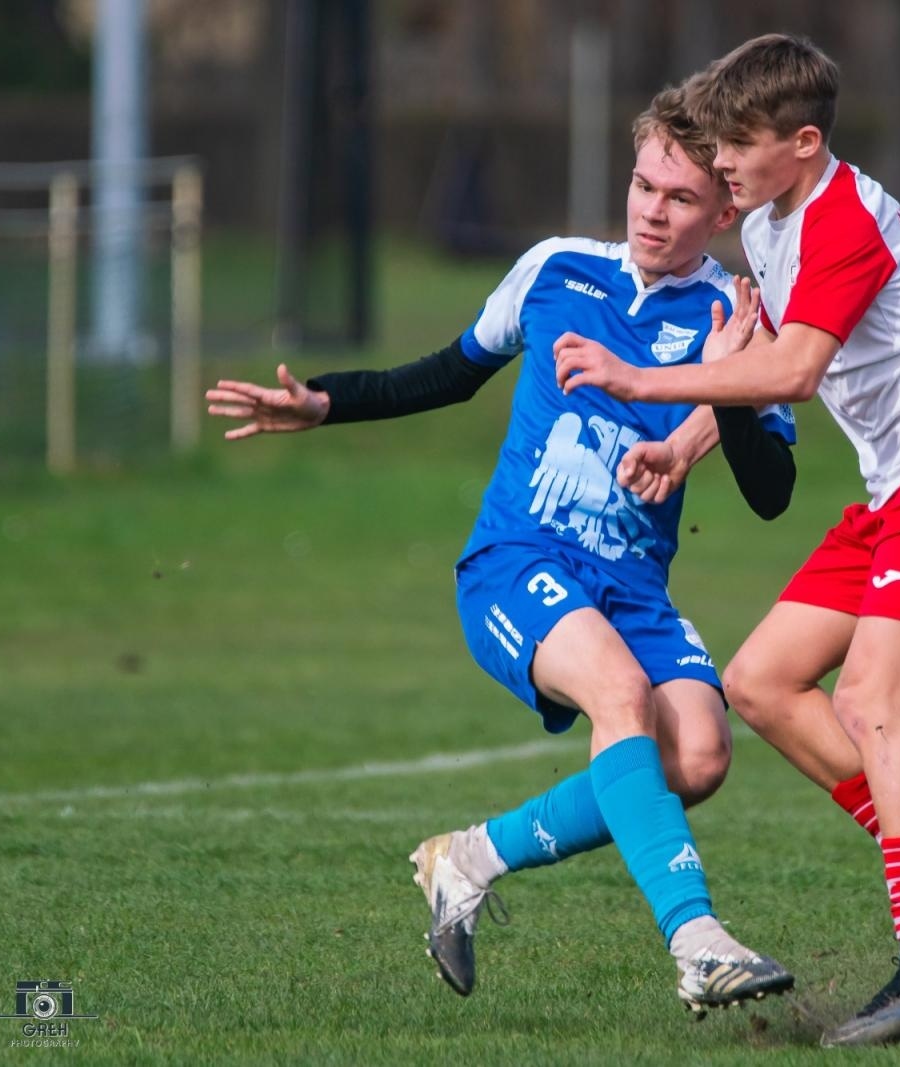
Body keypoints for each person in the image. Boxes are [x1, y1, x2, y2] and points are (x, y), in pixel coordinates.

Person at [205, 86, 801, 1016]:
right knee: (620, 697)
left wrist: (727, 382)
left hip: (635, 587)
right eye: (644, 184)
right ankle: (698, 942)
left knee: (702, 756)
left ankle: (468, 858)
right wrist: (326, 402)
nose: (652, 209)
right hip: (517, 563)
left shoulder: (742, 315)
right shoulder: (557, 267)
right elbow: (448, 372)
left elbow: (773, 496)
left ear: (725, 209)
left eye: (681, 199)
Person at [553, 35, 900, 1046]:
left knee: (871, 697)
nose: (722, 163)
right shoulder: (774, 221)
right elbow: (763, 359)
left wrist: (642, 382)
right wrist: (686, 443)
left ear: (804, 140)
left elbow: (789, 374)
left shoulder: (843, 223)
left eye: (739, 143)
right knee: (762, 680)